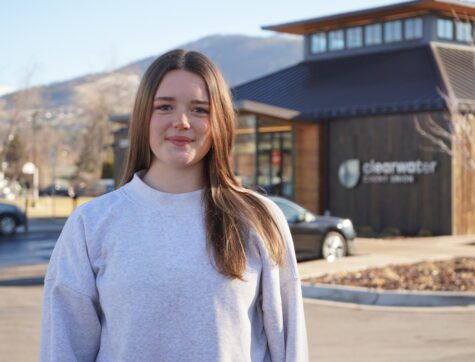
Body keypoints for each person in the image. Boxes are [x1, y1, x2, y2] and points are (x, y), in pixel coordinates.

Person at [40, 49, 308, 361]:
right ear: (144, 117)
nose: (181, 122)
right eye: (165, 106)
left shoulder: (259, 220)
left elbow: (289, 347)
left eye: (199, 110)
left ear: (219, 121)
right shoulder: (91, 224)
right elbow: (64, 349)